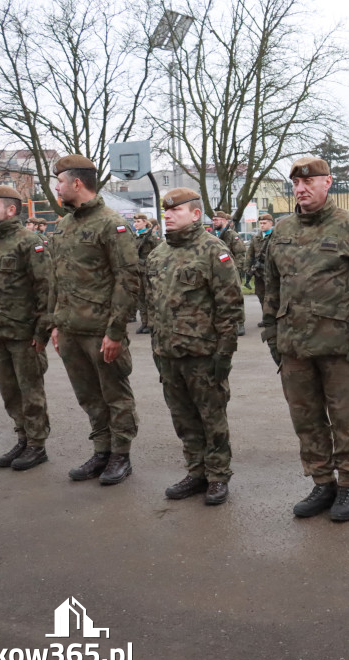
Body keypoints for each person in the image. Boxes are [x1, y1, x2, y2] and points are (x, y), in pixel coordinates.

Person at [261, 157, 349, 522]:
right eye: (296, 184)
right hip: (294, 346)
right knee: (307, 418)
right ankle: (321, 481)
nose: (301, 189)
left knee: (345, 417)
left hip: (339, 345)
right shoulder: (282, 230)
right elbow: (271, 287)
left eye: (309, 183)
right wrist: (273, 336)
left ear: (327, 183)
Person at [147, 188, 244, 505]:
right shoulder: (158, 254)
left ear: (195, 214)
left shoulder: (214, 251)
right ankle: (195, 471)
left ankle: (217, 476)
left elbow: (230, 307)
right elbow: (153, 306)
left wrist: (224, 355)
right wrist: (156, 350)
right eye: (166, 211)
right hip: (168, 353)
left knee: (211, 417)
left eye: (176, 210)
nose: (169, 215)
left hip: (203, 355)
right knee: (183, 417)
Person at [49, 154, 140, 486]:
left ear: (76, 183)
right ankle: (101, 450)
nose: (56, 188)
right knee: (88, 395)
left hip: (101, 330)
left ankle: (121, 454)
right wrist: (55, 324)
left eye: (59, 182)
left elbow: (128, 279)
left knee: (115, 394)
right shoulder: (63, 225)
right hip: (71, 330)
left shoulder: (110, 223)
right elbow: (54, 280)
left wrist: (115, 331)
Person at [0, 186, 52, 470]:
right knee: (9, 391)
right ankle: (22, 437)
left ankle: (36, 445)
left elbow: (45, 289)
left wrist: (40, 332)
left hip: (24, 334)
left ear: (11, 210)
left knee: (30, 392)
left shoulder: (28, 241)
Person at [134, 213, 161, 335]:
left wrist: (147, 262)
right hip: (138, 271)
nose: (136, 224)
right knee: (140, 298)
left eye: (138, 221)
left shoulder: (151, 237)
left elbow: (159, 253)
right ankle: (144, 323)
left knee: (149, 297)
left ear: (145, 222)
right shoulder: (136, 237)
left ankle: (151, 324)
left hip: (148, 271)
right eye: (135, 222)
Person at [246, 213, 274, 303]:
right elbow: (249, 255)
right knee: (261, 295)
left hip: (271, 273)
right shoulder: (256, 238)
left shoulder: (276, 237)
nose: (262, 225)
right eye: (261, 223)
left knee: (273, 298)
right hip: (258, 273)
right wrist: (247, 269)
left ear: (271, 223)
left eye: (264, 223)